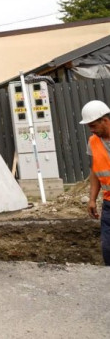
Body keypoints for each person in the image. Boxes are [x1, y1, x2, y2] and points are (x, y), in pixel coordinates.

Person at [80, 100, 110, 266]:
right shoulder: (93, 142)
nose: (91, 130)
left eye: (93, 126)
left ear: (104, 121)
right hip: (108, 204)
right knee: (108, 249)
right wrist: (92, 199)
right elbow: (95, 172)